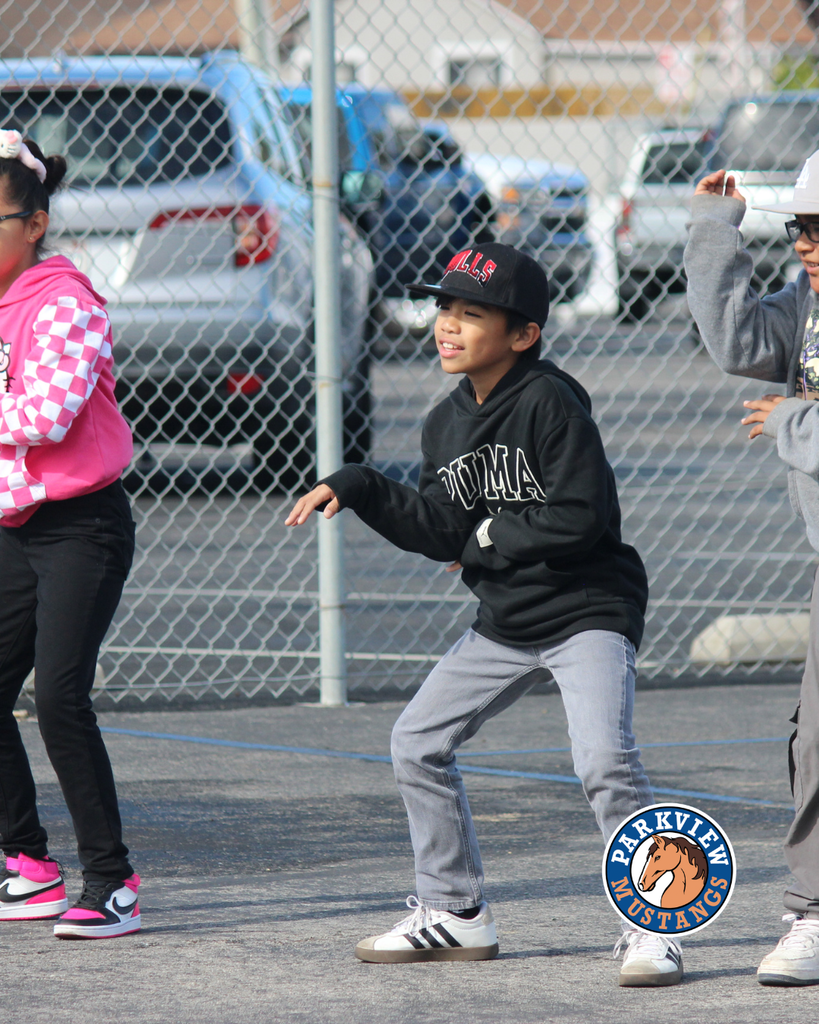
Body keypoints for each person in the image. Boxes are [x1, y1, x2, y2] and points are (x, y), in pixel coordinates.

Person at [287, 242, 678, 985]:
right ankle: (455, 912)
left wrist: (489, 536)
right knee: (416, 741)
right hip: (506, 622)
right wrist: (362, 485)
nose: (448, 326)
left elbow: (579, 517)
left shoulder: (549, 401)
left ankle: (653, 923)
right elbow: (441, 529)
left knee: (603, 762)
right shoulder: (443, 423)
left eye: (472, 314)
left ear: (523, 333)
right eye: (443, 309)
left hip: (586, 610)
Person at [0, 130, 140, 939]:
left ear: (36, 224)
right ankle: (29, 864)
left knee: (58, 698)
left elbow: (46, 417)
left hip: (81, 526)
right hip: (16, 525)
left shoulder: (66, 302)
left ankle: (112, 881)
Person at [686, 155, 819, 985]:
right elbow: (741, 342)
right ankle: (812, 913)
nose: (807, 245)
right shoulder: (808, 302)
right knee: (818, 743)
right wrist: (712, 234)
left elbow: (789, 411)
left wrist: (794, 420)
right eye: (801, 228)